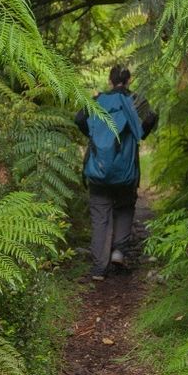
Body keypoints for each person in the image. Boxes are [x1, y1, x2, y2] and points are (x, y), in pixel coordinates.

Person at [76, 65, 158, 279]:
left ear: (110, 81)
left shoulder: (96, 101)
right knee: (124, 207)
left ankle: (98, 268)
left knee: (100, 215)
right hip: (126, 169)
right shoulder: (137, 100)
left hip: (98, 169)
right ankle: (119, 252)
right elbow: (150, 120)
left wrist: (94, 135)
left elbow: (78, 119)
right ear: (129, 80)